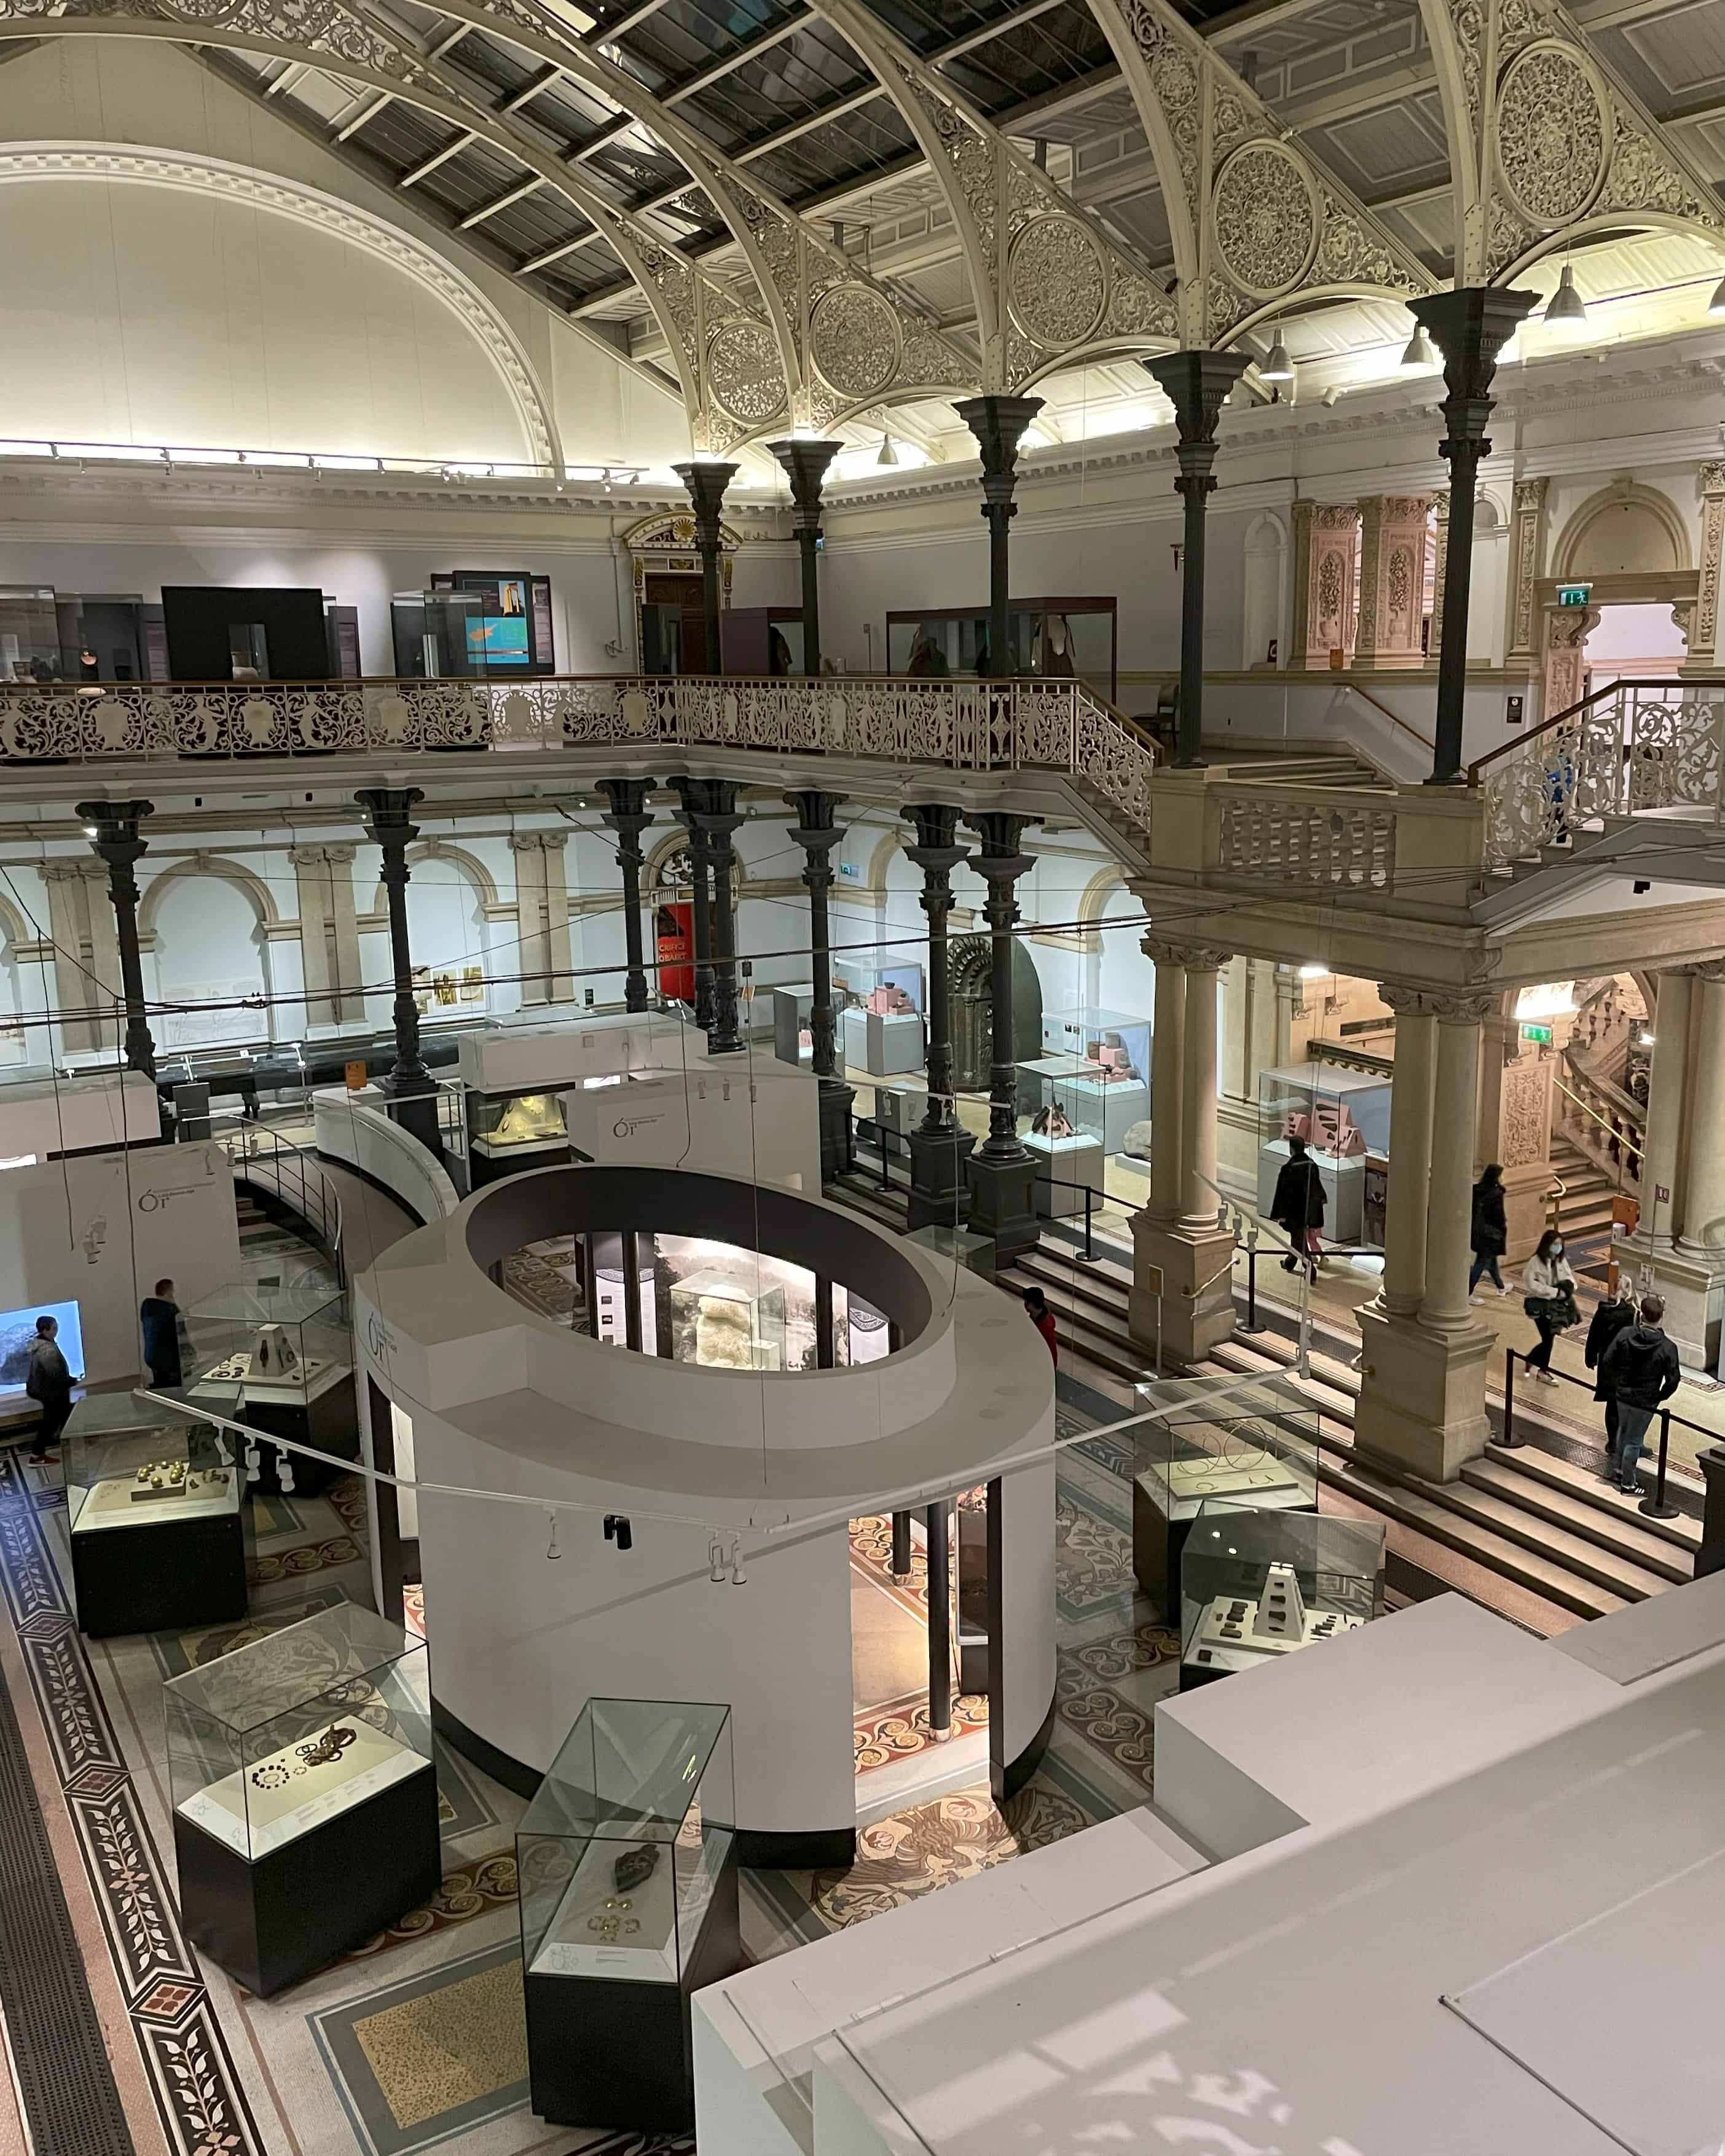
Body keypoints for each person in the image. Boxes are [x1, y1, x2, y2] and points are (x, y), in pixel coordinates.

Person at [1599, 1293, 1681, 1496]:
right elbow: (1673, 1379)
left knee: (1623, 1432)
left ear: (1641, 1315)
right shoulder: (1667, 1347)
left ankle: (1618, 1469)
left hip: (1623, 1393)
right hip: (1646, 1399)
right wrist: (1660, 1396)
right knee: (1635, 1440)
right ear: (1660, 1318)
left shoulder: (1626, 1334)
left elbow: (1608, 1360)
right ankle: (1628, 1483)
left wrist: (1617, 1382)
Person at [1586, 1279, 1638, 1467]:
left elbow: (1594, 1336)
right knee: (1624, 1405)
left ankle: (1613, 1441)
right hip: (1627, 1365)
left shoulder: (1605, 1311)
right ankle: (1625, 1440)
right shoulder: (1634, 1314)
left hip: (1608, 1363)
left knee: (1612, 1404)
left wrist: (1590, 1358)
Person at [1522, 1228, 1578, 1383]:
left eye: (1560, 1244)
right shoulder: (1535, 1262)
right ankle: (1542, 1370)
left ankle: (1532, 1361)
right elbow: (1531, 1284)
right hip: (1541, 1305)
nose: (1558, 1247)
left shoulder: (1561, 1261)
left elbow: (1569, 1277)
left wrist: (1569, 1289)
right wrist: (1553, 1292)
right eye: (1555, 1244)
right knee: (1548, 1338)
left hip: (1557, 1306)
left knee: (1549, 1338)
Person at [1270, 1134, 1326, 1280]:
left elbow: (1282, 1194)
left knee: (1298, 1240)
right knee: (1297, 1238)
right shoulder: (1312, 1165)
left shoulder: (1288, 1168)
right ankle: (1289, 1263)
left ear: (1291, 1149)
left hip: (1294, 1212)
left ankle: (1310, 1270)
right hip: (1309, 1209)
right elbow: (1316, 1187)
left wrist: (1280, 1214)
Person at [23, 1315, 76, 1465]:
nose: (56, 1331)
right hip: (51, 1392)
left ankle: (65, 1445)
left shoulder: (38, 1345)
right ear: (45, 1330)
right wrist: (71, 1381)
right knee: (51, 1422)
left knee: (57, 1418)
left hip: (44, 1391)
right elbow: (55, 1374)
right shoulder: (46, 1350)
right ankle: (37, 1455)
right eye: (54, 1328)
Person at [1468, 1164, 1510, 1299]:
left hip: (1478, 1231)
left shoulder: (1477, 1190)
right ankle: (1467, 1293)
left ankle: (1501, 1287)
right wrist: (1502, 1232)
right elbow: (1499, 1217)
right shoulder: (1496, 1194)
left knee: (1491, 1261)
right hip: (1491, 1234)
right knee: (1481, 1262)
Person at [139, 1277, 184, 1388]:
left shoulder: (147, 1306)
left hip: (151, 1358)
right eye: (173, 1292)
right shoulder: (172, 1311)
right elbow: (181, 1336)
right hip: (169, 1361)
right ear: (169, 1292)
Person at [1023, 1286, 1058, 1366]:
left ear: (1031, 1305)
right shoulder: (1037, 1315)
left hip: (1045, 1364)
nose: (1024, 1303)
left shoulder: (1044, 1328)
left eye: (1026, 1301)